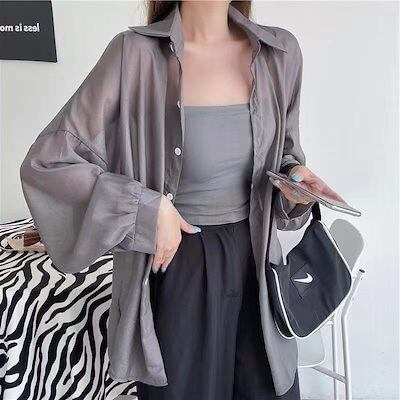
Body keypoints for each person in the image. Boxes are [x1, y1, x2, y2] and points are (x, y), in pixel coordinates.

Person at [20, 1, 344, 399]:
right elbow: (48, 163)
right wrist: (145, 209)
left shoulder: (280, 53)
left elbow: (285, 154)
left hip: (259, 267)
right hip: (179, 268)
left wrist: (295, 182)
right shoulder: (134, 55)